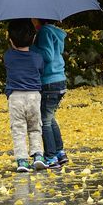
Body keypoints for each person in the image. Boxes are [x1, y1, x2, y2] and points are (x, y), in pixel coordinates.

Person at [4, 18, 47, 173]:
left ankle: (22, 160)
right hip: (34, 96)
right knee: (35, 128)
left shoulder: (8, 56)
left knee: (18, 129)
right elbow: (41, 71)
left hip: (16, 97)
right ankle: (38, 156)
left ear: (10, 40)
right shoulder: (37, 58)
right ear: (34, 38)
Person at [31, 18, 69, 167]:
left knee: (44, 121)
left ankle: (51, 156)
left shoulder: (45, 32)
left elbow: (47, 55)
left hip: (49, 81)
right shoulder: (54, 32)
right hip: (59, 79)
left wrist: (30, 47)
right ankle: (60, 152)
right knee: (50, 118)